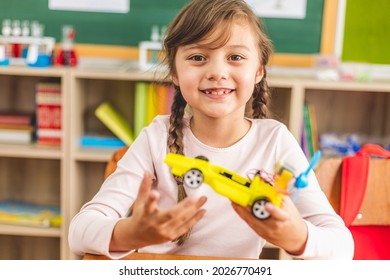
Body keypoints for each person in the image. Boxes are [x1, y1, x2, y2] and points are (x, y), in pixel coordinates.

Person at [68, 0, 354, 260]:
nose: (217, 71)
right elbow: (79, 231)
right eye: (197, 58)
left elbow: (343, 246)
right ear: (175, 73)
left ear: (259, 71)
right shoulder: (156, 137)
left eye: (235, 57)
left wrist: (298, 237)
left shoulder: (275, 142)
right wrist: (130, 233)